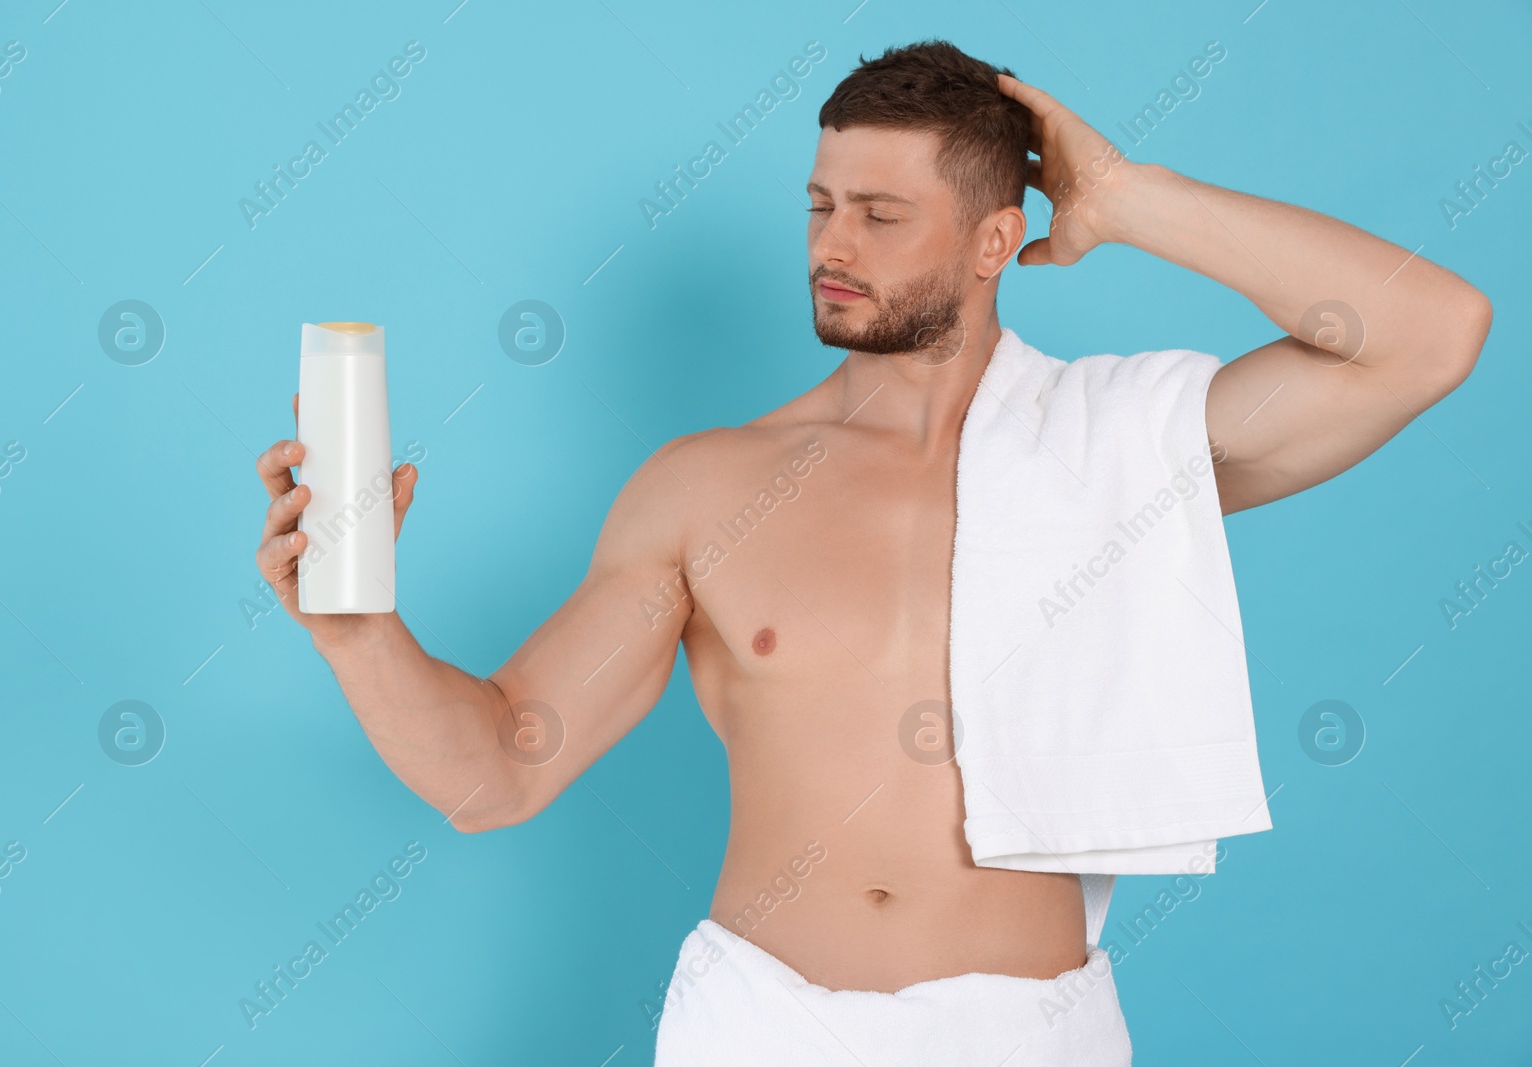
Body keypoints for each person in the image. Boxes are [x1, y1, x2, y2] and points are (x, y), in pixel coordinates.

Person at [254, 39, 1490, 1065]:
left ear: (996, 241)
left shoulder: (1123, 448)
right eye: (819, 205)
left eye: (882, 215)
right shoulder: (707, 486)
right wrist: (356, 631)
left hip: (1027, 1028)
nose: (832, 244)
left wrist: (1125, 197)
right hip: (759, 1021)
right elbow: (501, 770)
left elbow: (1427, 334)